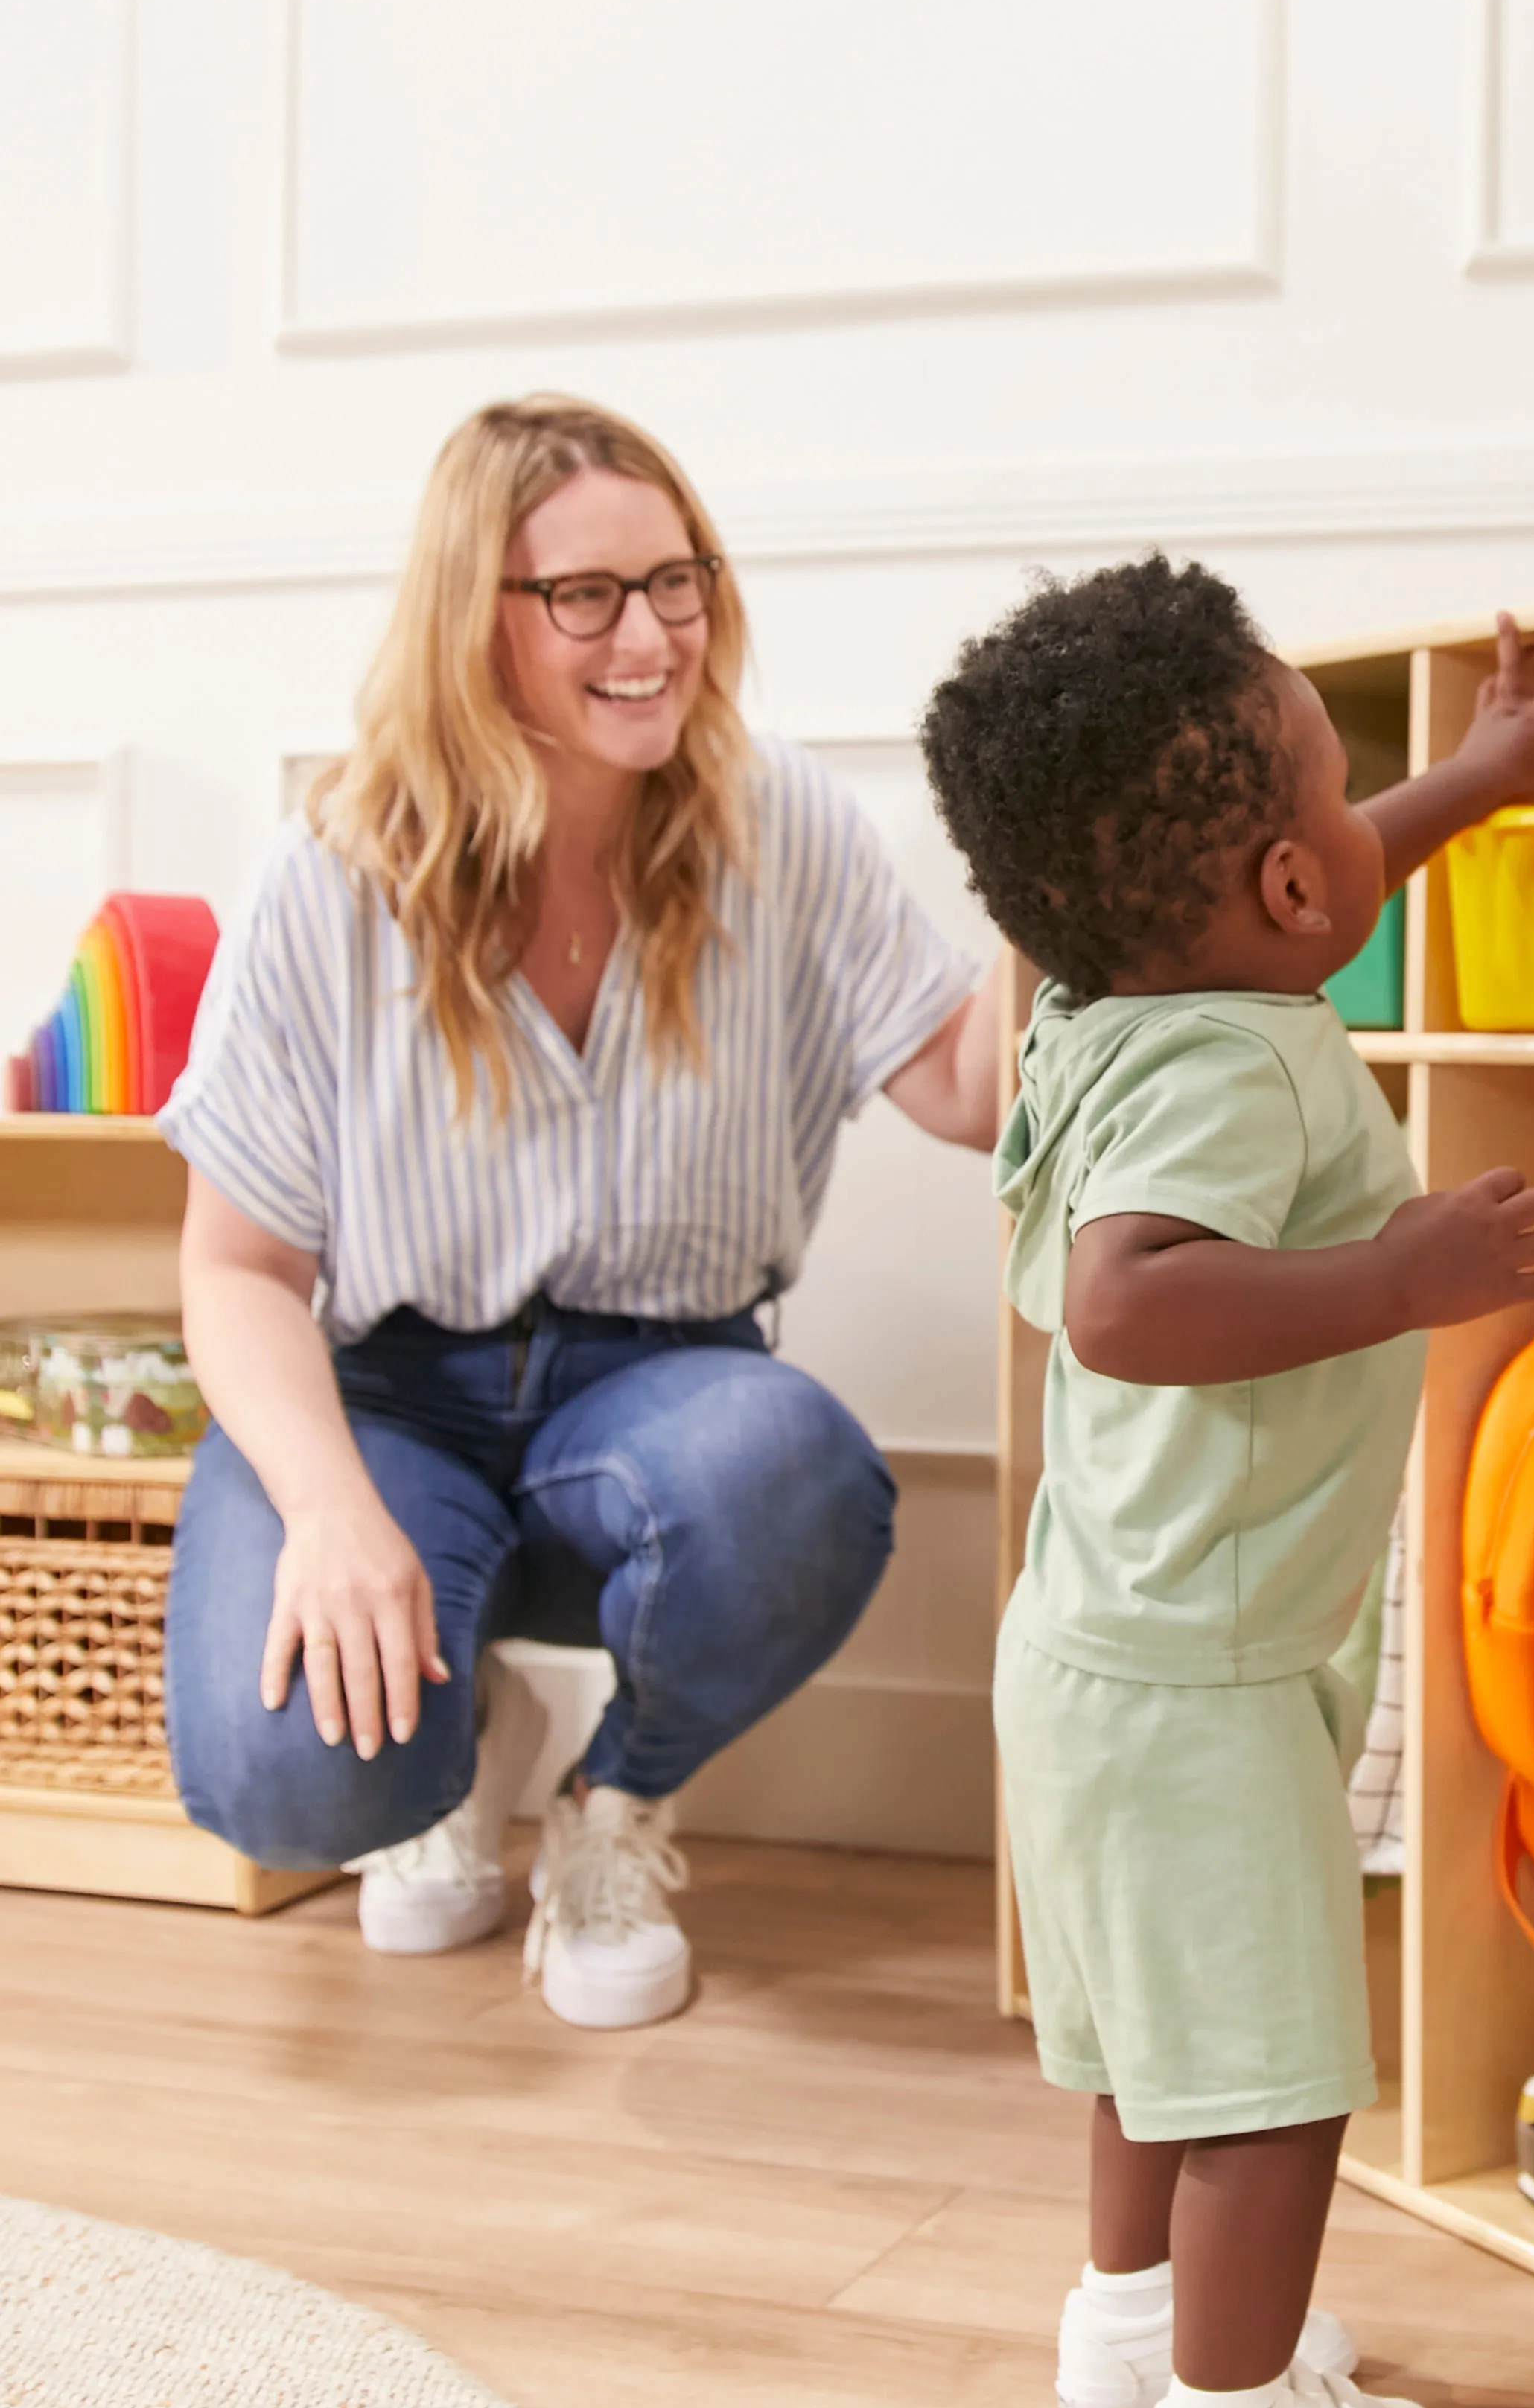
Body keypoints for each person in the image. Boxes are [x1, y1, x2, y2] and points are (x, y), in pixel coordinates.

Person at [162, 395, 1011, 2030]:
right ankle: (458, 1743)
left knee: (792, 1474)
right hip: (389, 1397)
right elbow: (237, 1266)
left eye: (675, 579)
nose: (652, 635)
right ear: (471, 619)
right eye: (587, 596)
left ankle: (610, 1808)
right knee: (280, 1783)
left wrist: (1048, 870)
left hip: (655, 1393)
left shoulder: (783, 827)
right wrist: (335, 1515)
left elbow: (970, 1092)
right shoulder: (332, 872)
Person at [919, 558, 1534, 2408]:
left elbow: (1335, 865)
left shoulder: (1114, 998)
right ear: (1287, 902)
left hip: (1105, 1644)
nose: (1355, 816)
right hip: (1195, 1680)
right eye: (1334, 785)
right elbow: (1122, 1304)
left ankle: (1134, 2329)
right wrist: (1399, 1273)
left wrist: (1474, 778)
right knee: (1273, 2078)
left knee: (1150, 2043)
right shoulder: (1238, 1061)